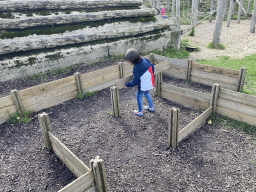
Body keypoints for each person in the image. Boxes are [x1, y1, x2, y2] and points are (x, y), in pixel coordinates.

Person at [124, 48, 155, 117]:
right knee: (147, 93)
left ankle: (140, 111)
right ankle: (151, 107)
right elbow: (152, 66)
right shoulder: (145, 60)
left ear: (132, 62)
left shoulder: (136, 68)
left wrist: (128, 84)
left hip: (143, 85)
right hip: (150, 82)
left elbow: (135, 81)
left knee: (138, 96)